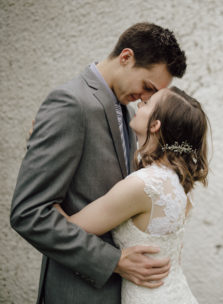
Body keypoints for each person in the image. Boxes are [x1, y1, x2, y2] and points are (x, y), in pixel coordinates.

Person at [10, 22, 186, 304]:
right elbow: (28, 213)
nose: (146, 99)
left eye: (153, 95)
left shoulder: (127, 113)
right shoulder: (70, 104)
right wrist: (113, 261)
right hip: (76, 292)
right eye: (147, 87)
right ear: (126, 57)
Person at [54, 86, 209, 303]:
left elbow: (68, 229)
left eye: (147, 103)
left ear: (155, 125)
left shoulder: (143, 185)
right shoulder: (182, 183)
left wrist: (46, 158)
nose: (139, 104)